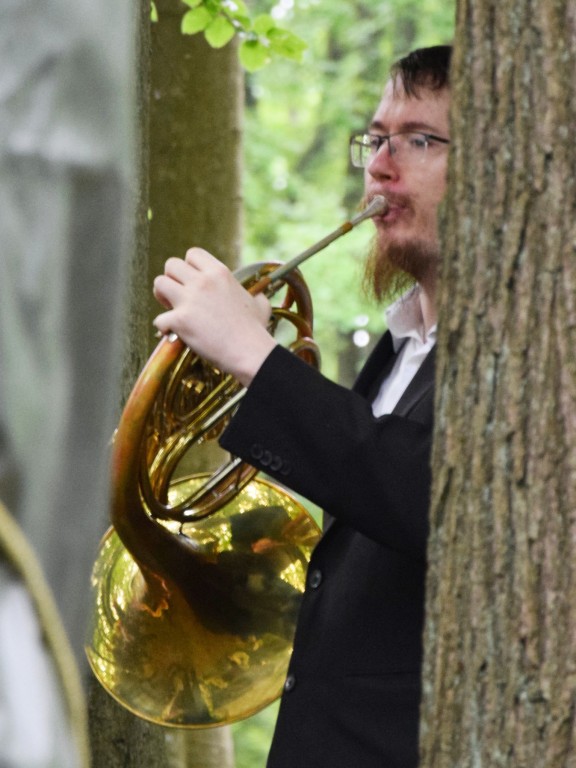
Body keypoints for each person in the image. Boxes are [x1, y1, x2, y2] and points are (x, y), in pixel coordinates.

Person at [153, 44, 452, 768]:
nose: (379, 167)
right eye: (374, 140)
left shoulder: (529, 353)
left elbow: (435, 495)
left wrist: (259, 363)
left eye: (418, 139)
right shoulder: (401, 346)